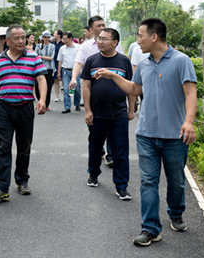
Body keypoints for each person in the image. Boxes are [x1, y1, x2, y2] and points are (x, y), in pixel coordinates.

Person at [93, 18, 197, 247]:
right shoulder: (144, 64)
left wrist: (189, 122)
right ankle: (150, 228)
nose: (137, 40)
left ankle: (176, 212)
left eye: (140, 35)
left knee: (176, 181)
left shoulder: (181, 61)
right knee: (148, 182)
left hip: (175, 136)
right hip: (146, 134)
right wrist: (113, 76)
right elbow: (135, 88)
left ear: (154, 36)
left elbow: (191, 92)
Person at [0, 25, 47, 201]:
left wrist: (42, 99)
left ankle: (22, 181)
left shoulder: (33, 57)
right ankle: (1, 187)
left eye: (23, 37)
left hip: (25, 108)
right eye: (16, 38)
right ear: (7, 40)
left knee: (24, 147)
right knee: (3, 148)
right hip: (4, 108)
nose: (21, 41)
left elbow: (41, 79)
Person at [81, 28, 135, 200]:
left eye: (104, 39)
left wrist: (131, 109)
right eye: (99, 38)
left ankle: (121, 186)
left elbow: (131, 87)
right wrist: (88, 111)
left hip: (119, 113)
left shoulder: (124, 61)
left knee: (120, 150)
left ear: (115, 42)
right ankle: (93, 173)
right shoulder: (91, 60)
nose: (100, 42)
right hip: (97, 113)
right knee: (95, 146)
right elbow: (86, 87)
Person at [69, 15, 123, 166]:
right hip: (94, 95)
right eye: (98, 26)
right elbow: (78, 64)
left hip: (114, 92)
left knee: (113, 126)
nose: (102, 28)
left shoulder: (115, 42)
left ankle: (111, 156)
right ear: (91, 29)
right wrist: (73, 78)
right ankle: (97, 151)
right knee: (95, 127)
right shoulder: (86, 46)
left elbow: (122, 61)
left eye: (103, 25)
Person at [57, 32, 80, 114]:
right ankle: (67, 107)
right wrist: (59, 72)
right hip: (65, 71)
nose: (63, 41)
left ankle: (77, 104)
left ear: (70, 39)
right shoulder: (62, 48)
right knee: (66, 89)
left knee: (76, 89)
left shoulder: (78, 47)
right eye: (63, 39)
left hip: (76, 71)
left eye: (65, 39)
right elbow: (60, 61)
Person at [35, 31, 55, 109]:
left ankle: (46, 104)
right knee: (37, 86)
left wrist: (41, 56)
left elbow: (51, 57)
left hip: (49, 68)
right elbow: (35, 56)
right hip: (39, 68)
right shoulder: (38, 46)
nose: (46, 38)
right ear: (42, 38)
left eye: (48, 37)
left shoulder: (52, 46)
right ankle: (40, 101)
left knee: (48, 87)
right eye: (45, 37)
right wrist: (42, 57)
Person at [52, 29, 64, 102]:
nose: (54, 35)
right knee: (55, 80)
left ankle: (67, 95)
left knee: (64, 80)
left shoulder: (63, 44)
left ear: (59, 35)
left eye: (55, 33)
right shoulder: (52, 44)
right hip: (54, 63)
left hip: (63, 64)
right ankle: (57, 96)